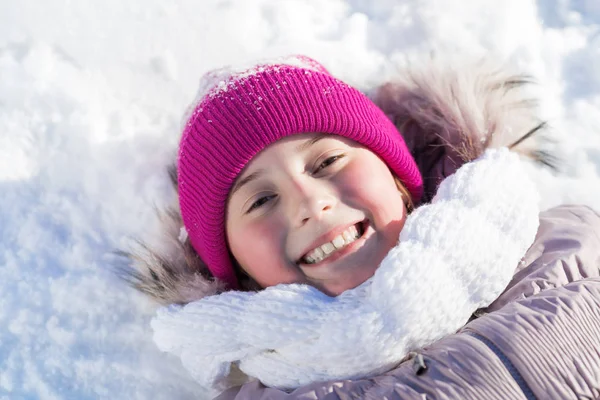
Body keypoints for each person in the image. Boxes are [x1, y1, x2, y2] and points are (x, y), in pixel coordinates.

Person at [120, 55, 600, 399]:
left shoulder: (569, 248)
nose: (311, 202)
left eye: (327, 160)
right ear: (238, 269)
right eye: (262, 199)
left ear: (397, 176)